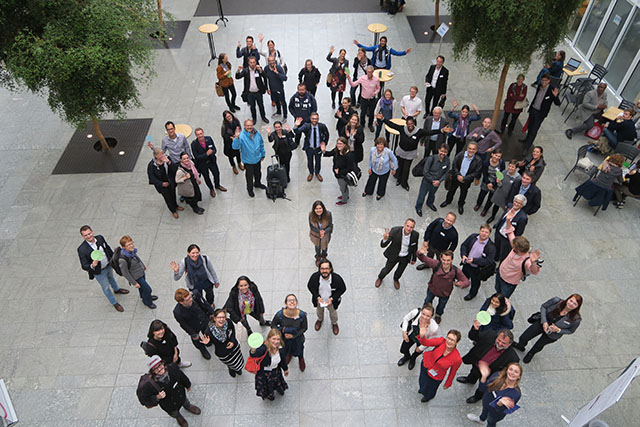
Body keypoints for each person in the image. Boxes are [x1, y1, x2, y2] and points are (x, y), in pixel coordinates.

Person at [456, 324, 519, 404]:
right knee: (473, 373)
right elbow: (473, 337)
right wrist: (475, 329)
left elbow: (505, 373)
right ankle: (470, 380)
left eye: (503, 343)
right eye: (498, 340)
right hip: (476, 363)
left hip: (488, 375)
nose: (499, 344)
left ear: (509, 344)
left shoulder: (512, 357)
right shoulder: (489, 335)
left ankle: (477, 397)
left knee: (483, 387)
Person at [514, 294, 582, 363]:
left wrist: (559, 330)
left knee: (539, 345)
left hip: (553, 334)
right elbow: (544, 307)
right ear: (568, 299)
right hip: (542, 323)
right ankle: (521, 346)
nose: (571, 304)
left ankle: (531, 353)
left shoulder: (576, 319)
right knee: (524, 337)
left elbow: (571, 331)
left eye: (575, 304)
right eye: (571, 301)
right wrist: (544, 322)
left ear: (577, 307)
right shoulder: (556, 301)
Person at [77, 225, 129, 312]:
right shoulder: (82, 249)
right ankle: (114, 302)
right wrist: (92, 265)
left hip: (108, 265)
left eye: (89, 233)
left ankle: (116, 289)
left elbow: (107, 248)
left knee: (111, 278)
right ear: (83, 236)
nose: (88, 236)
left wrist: (114, 258)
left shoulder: (100, 238)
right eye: (85, 235)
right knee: (106, 287)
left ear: (92, 232)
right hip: (99, 272)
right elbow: (84, 265)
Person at [138, 356, 200, 427]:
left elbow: (181, 376)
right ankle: (178, 417)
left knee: (185, 401)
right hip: (168, 404)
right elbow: (145, 399)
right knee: (174, 412)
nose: (159, 369)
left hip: (180, 394)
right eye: (155, 369)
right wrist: (157, 397)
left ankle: (188, 406)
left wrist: (187, 384)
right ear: (152, 372)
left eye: (160, 365)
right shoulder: (150, 384)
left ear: (163, 363)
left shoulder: (172, 368)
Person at [494, 217, 541, 298]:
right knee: (497, 289)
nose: (513, 248)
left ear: (520, 251)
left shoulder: (526, 260)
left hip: (509, 282)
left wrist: (533, 262)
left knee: (503, 297)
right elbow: (510, 232)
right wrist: (508, 220)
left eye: (515, 249)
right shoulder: (515, 247)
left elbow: (534, 271)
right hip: (500, 273)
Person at [418, 249, 469, 323]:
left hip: (445, 293)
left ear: (452, 260)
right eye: (444, 260)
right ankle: (425, 312)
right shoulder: (436, 264)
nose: (446, 262)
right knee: (427, 301)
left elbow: (466, 282)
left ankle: (438, 315)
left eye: (448, 260)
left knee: (441, 306)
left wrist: (461, 284)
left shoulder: (455, 271)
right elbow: (423, 258)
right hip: (432, 289)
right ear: (441, 259)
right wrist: (420, 253)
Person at [417, 330, 463, 402]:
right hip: (426, 365)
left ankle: (428, 396)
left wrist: (448, 383)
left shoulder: (457, 359)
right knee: (422, 379)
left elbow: (453, 372)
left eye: (452, 340)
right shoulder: (441, 341)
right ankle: (422, 389)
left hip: (436, 376)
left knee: (431, 388)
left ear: (457, 342)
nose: (449, 341)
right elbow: (426, 342)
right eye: (448, 338)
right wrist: (422, 336)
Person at [384, 116, 429, 190]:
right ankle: (399, 179)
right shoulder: (402, 129)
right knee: (400, 166)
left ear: (414, 123)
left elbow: (429, 132)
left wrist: (441, 130)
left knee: (406, 169)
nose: (410, 125)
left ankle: (404, 183)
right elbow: (392, 125)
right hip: (401, 152)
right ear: (406, 124)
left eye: (411, 123)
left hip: (411, 154)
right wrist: (383, 119)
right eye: (408, 124)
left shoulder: (419, 131)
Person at [519, 74, 560, 154]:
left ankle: (526, 147)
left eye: (545, 81)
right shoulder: (539, 87)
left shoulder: (552, 90)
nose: (544, 82)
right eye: (543, 80)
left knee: (534, 130)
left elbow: (557, 103)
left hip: (540, 114)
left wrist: (555, 96)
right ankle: (526, 139)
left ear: (548, 81)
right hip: (533, 110)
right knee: (530, 127)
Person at [440, 141, 483, 215]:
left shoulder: (478, 160)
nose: (471, 150)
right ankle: (448, 201)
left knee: (463, 193)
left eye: (473, 149)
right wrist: (458, 175)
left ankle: (460, 205)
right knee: (451, 190)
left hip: (466, 181)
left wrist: (465, 178)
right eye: (470, 148)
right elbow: (454, 164)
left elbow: (476, 172)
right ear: (467, 148)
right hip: (456, 177)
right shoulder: (460, 154)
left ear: (476, 150)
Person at [376, 218, 419, 289]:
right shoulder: (395, 230)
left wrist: (414, 258)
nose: (409, 229)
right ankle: (380, 277)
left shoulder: (415, 235)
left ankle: (396, 279)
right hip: (394, 255)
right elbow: (383, 245)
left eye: (411, 227)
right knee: (386, 269)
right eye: (407, 226)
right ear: (404, 225)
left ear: (413, 228)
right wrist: (385, 239)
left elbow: (415, 247)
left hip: (405, 257)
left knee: (400, 271)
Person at [307, 259, 347, 335]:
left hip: (332, 302)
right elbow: (310, 286)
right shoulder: (315, 277)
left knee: (333, 314)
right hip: (319, 301)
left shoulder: (337, 279)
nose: (324, 271)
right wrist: (317, 297)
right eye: (322, 269)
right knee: (319, 312)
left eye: (326, 268)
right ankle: (320, 320)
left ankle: (334, 323)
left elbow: (342, 289)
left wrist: (332, 299)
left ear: (330, 269)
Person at [173, 288, 214, 359]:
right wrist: (193, 333)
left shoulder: (195, 294)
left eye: (190, 297)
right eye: (187, 300)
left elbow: (204, 303)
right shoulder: (178, 312)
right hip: (194, 327)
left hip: (203, 319)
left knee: (207, 331)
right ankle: (202, 350)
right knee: (197, 341)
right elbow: (183, 325)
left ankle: (209, 341)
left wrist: (211, 312)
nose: (191, 299)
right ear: (181, 302)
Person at [271, 294, 308, 371]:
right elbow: (273, 325)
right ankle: (289, 354)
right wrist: (282, 330)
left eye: (294, 300)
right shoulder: (280, 315)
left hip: (298, 338)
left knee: (300, 349)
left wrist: (293, 336)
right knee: (286, 348)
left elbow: (304, 328)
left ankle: (300, 358)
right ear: (285, 304)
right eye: (289, 300)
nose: (292, 302)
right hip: (284, 338)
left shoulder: (302, 315)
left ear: (296, 303)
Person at [118, 235, 157, 309]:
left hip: (140, 272)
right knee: (148, 289)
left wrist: (142, 265)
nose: (131, 245)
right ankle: (147, 302)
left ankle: (145, 297)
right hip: (136, 276)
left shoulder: (131, 252)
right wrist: (134, 283)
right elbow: (125, 273)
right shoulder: (123, 260)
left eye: (131, 243)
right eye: (128, 245)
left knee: (142, 288)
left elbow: (137, 259)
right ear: (124, 247)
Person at [460, 224, 497, 301]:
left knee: (475, 282)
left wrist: (474, 260)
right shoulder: (473, 237)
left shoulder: (491, 247)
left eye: (486, 232)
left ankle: (472, 294)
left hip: (477, 269)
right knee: (464, 275)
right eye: (482, 231)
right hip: (466, 263)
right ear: (479, 231)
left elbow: (488, 261)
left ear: (489, 233)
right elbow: (464, 245)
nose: (483, 233)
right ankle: (464, 282)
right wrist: (463, 255)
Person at [250, 328, 289, 401]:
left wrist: (285, 369)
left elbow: (282, 360)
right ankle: (270, 396)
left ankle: (279, 390)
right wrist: (253, 350)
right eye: (274, 339)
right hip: (264, 374)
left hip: (276, 370)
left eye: (278, 339)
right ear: (269, 339)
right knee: (267, 387)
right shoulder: (263, 349)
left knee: (278, 382)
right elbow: (254, 355)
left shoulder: (281, 349)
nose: (276, 342)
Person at [398, 304, 440, 370]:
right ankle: (407, 357)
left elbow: (431, 341)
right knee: (403, 349)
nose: (424, 317)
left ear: (431, 317)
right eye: (423, 314)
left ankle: (412, 359)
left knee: (416, 352)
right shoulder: (415, 313)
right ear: (421, 312)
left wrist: (421, 347)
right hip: (412, 335)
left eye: (428, 316)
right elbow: (406, 319)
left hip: (423, 341)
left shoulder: (434, 328)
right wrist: (404, 331)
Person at [232, 119, 266, 198]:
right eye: (247, 126)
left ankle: (257, 183)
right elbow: (235, 147)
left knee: (258, 173)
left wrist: (263, 154)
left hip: (257, 158)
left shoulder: (256, 133)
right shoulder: (241, 136)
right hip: (248, 161)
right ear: (244, 126)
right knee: (249, 176)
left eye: (250, 125)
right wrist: (236, 138)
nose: (249, 127)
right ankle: (250, 189)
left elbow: (261, 143)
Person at [191, 127, 227, 198]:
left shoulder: (209, 139)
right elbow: (197, 156)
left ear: (203, 133)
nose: (200, 135)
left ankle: (217, 185)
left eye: (201, 133)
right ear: (196, 135)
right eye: (198, 134)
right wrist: (206, 154)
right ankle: (211, 189)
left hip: (212, 161)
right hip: (202, 164)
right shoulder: (194, 144)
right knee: (206, 177)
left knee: (216, 173)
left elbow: (214, 150)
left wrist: (212, 152)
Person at [415, 143, 450, 216]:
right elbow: (425, 171)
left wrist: (439, 181)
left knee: (432, 194)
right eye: (442, 151)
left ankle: (430, 203)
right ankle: (418, 207)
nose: (443, 153)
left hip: (437, 182)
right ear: (438, 150)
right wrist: (433, 181)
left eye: (445, 152)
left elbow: (446, 172)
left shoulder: (447, 160)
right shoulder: (431, 159)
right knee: (422, 195)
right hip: (427, 181)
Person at [208, 309, 245, 377]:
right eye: (219, 317)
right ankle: (231, 368)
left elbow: (232, 331)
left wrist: (232, 340)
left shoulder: (228, 322)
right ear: (214, 318)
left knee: (238, 360)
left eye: (223, 317)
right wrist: (207, 342)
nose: (222, 320)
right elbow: (209, 343)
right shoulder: (209, 331)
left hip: (234, 348)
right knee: (230, 363)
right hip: (223, 352)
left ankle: (238, 369)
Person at [493, 194, 529, 262]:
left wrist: (513, 241)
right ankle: (495, 259)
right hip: (499, 232)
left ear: (522, 205)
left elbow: (519, 232)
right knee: (496, 247)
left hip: (507, 239)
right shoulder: (509, 206)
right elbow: (503, 216)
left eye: (519, 203)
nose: (516, 204)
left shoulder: (522, 218)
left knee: (503, 254)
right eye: (515, 201)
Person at [294, 113, 329, 182]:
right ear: (310, 119)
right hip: (309, 148)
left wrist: (324, 143)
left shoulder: (322, 126)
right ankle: (311, 173)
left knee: (318, 161)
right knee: (310, 161)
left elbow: (327, 134)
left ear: (318, 119)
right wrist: (296, 126)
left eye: (316, 119)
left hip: (318, 148)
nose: (314, 120)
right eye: (313, 118)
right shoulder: (306, 126)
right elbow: (297, 131)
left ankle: (317, 173)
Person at [321, 136, 355, 206]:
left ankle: (344, 200)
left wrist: (339, 172)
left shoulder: (348, 155)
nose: (339, 145)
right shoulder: (336, 150)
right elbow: (329, 153)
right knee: (344, 186)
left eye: (341, 144)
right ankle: (346, 195)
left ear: (345, 144)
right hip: (338, 173)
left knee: (343, 188)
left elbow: (350, 168)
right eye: (338, 143)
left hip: (342, 175)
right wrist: (324, 151)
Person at [148, 148, 181, 218]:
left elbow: (175, 168)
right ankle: (173, 210)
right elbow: (152, 178)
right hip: (162, 185)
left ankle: (176, 205)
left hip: (170, 182)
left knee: (173, 194)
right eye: (160, 155)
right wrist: (161, 184)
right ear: (156, 156)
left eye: (163, 153)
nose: (163, 155)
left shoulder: (167, 159)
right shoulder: (152, 165)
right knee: (167, 198)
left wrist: (169, 162)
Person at [235, 56, 269, 124]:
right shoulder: (245, 70)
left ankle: (263, 117)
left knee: (261, 105)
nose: (252, 64)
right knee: (252, 107)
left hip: (258, 92)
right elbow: (237, 77)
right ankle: (254, 118)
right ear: (248, 63)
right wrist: (238, 70)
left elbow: (265, 76)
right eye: (251, 62)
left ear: (256, 62)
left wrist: (261, 71)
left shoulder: (258, 69)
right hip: (250, 93)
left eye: (253, 62)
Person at [347, 65, 380, 132]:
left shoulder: (376, 80)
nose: (369, 74)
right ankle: (362, 124)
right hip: (364, 99)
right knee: (363, 113)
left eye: (370, 72)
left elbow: (378, 88)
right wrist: (349, 79)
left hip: (372, 99)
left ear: (373, 72)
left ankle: (370, 124)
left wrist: (375, 92)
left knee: (371, 113)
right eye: (368, 72)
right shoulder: (362, 78)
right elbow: (353, 84)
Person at [474, 150, 505, 215]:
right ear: (492, 154)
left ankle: (485, 209)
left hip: (495, 183)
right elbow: (484, 173)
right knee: (482, 194)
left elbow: (502, 174)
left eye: (499, 156)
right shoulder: (486, 162)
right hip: (486, 181)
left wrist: (493, 184)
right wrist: (488, 183)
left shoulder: (501, 163)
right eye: (496, 155)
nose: (497, 157)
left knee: (491, 198)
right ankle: (478, 204)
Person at [263, 55, 288, 119]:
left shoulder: (279, 68)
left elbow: (285, 78)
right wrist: (267, 88)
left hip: (279, 89)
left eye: (273, 61)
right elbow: (265, 78)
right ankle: (278, 112)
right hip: (272, 89)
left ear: (275, 61)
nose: (272, 62)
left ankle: (285, 115)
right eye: (270, 61)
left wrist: (277, 73)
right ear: (268, 61)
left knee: (283, 102)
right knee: (276, 101)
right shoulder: (266, 68)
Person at [309, 200, 334, 265]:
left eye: (320, 208)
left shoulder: (328, 214)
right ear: (314, 209)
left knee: (324, 247)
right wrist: (320, 232)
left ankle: (323, 257)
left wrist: (324, 231)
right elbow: (311, 226)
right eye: (316, 209)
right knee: (317, 246)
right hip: (315, 235)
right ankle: (318, 257)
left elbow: (330, 226)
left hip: (325, 235)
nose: (318, 210)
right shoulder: (311, 215)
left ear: (323, 208)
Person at [220, 110, 243, 174]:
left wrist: (239, 134)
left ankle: (239, 163)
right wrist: (231, 137)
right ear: (225, 118)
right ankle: (233, 166)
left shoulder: (236, 121)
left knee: (238, 153)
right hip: (229, 143)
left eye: (229, 116)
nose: (229, 117)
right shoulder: (224, 125)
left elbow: (240, 128)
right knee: (230, 156)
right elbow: (223, 135)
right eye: (227, 117)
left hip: (237, 139)